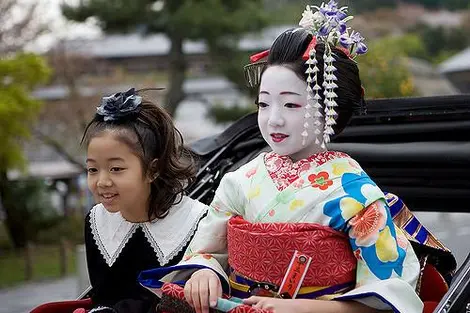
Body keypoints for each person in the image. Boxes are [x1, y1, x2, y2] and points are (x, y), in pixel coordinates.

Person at [138, 2, 423, 313]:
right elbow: (205, 253)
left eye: (290, 105)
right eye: (264, 104)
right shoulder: (239, 181)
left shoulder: (358, 196)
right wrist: (203, 272)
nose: (273, 119)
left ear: (330, 110)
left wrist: (296, 308)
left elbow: (388, 298)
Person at [81, 88, 207, 313]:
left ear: (152, 170)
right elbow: (101, 297)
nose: (101, 181)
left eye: (116, 169)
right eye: (92, 169)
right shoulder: (95, 221)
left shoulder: (198, 221)